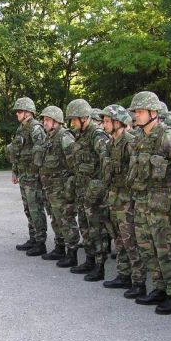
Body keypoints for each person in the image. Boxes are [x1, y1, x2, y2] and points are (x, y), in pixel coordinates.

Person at [128, 91, 171, 315]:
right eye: (135, 112)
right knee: (147, 249)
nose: (136, 115)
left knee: (166, 250)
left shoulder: (169, 138)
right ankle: (159, 287)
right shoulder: (139, 138)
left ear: (154, 113)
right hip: (142, 203)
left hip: (163, 207)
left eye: (140, 111)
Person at [100, 105, 143, 294]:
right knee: (119, 239)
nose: (104, 125)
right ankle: (123, 274)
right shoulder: (111, 142)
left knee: (130, 241)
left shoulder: (130, 142)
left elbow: (136, 174)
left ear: (118, 122)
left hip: (127, 200)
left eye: (107, 121)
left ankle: (138, 282)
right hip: (115, 197)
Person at [65, 99, 109, 281]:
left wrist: (100, 185)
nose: (72, 123)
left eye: (74, 119)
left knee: (96, 229)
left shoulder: (97, 135)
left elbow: (107, 161)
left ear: (84, 118)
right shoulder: (79, 135)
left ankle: (100, 265)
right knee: (85, 226)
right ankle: (89, 260)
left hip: (94, 192)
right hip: (82, 190)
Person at [37, 106, 79, 266]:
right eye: (44, 120)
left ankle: (72, 253)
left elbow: (74, 164)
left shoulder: (64, 137)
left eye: (47, 120)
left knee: (66, 219)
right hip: (50, 188)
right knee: (55, 219)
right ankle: (59, 247)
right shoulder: (49, 137)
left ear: (56, 121)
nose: (44, 122)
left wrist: (69, 186)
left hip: (61, 188)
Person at [9, 97, 48, 256]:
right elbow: (16, 151)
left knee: (36, 209)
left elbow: (42, 150)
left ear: (28, 112)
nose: (17, 114)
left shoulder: (35, 127)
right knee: (28, 209)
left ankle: (40, 242)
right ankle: (33, 238)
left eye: (19, 111)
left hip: (33, 177)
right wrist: (15, 171)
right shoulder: (21, 128)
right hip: (24, 175)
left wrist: (38, 172)